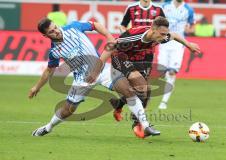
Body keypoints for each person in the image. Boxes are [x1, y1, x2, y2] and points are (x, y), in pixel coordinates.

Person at [29, 17, 160, 137]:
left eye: (56, 27)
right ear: (45, 35)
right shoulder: (54, 52)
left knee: (128, 91)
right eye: (52, 32)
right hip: (82, 79)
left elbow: (94, 25)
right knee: (67, 111)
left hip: (101, 70)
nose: (56, 31)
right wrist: (37, 87)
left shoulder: (74, 27)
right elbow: (49, 70)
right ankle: (48, 127)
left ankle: (146, 126)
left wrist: (109, 36)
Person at [89, 16, 201, 138]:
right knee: (141, 84)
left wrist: (189, 44)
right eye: (162, 34)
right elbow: (110, 47)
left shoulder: (161, 36)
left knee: (145, 91)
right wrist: (96, 71)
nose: (164, 38)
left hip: (135, 58)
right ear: (153, 30)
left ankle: (118, 104)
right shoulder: (133, 37)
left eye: (165, 34)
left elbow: (174, 35)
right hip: (119, 57)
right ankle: (139, 126)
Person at [110, 0, 166, 122]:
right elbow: (123, 25)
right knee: (140, 86)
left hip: (148, 52)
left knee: (144, 87)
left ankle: (120, 105)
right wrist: (126, 37)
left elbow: (164, 29)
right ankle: (138, 120)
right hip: (133, 50)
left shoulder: (158, 9)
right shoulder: (131, 8)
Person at [157, 0, 195, 109]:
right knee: (161, 71)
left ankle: (164, 102)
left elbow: (192, 27)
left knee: (172, 72)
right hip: (163, 43)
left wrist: (189, 30)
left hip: (178, 45)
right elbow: (156, 22)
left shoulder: (188, 10)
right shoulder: (165, 6)